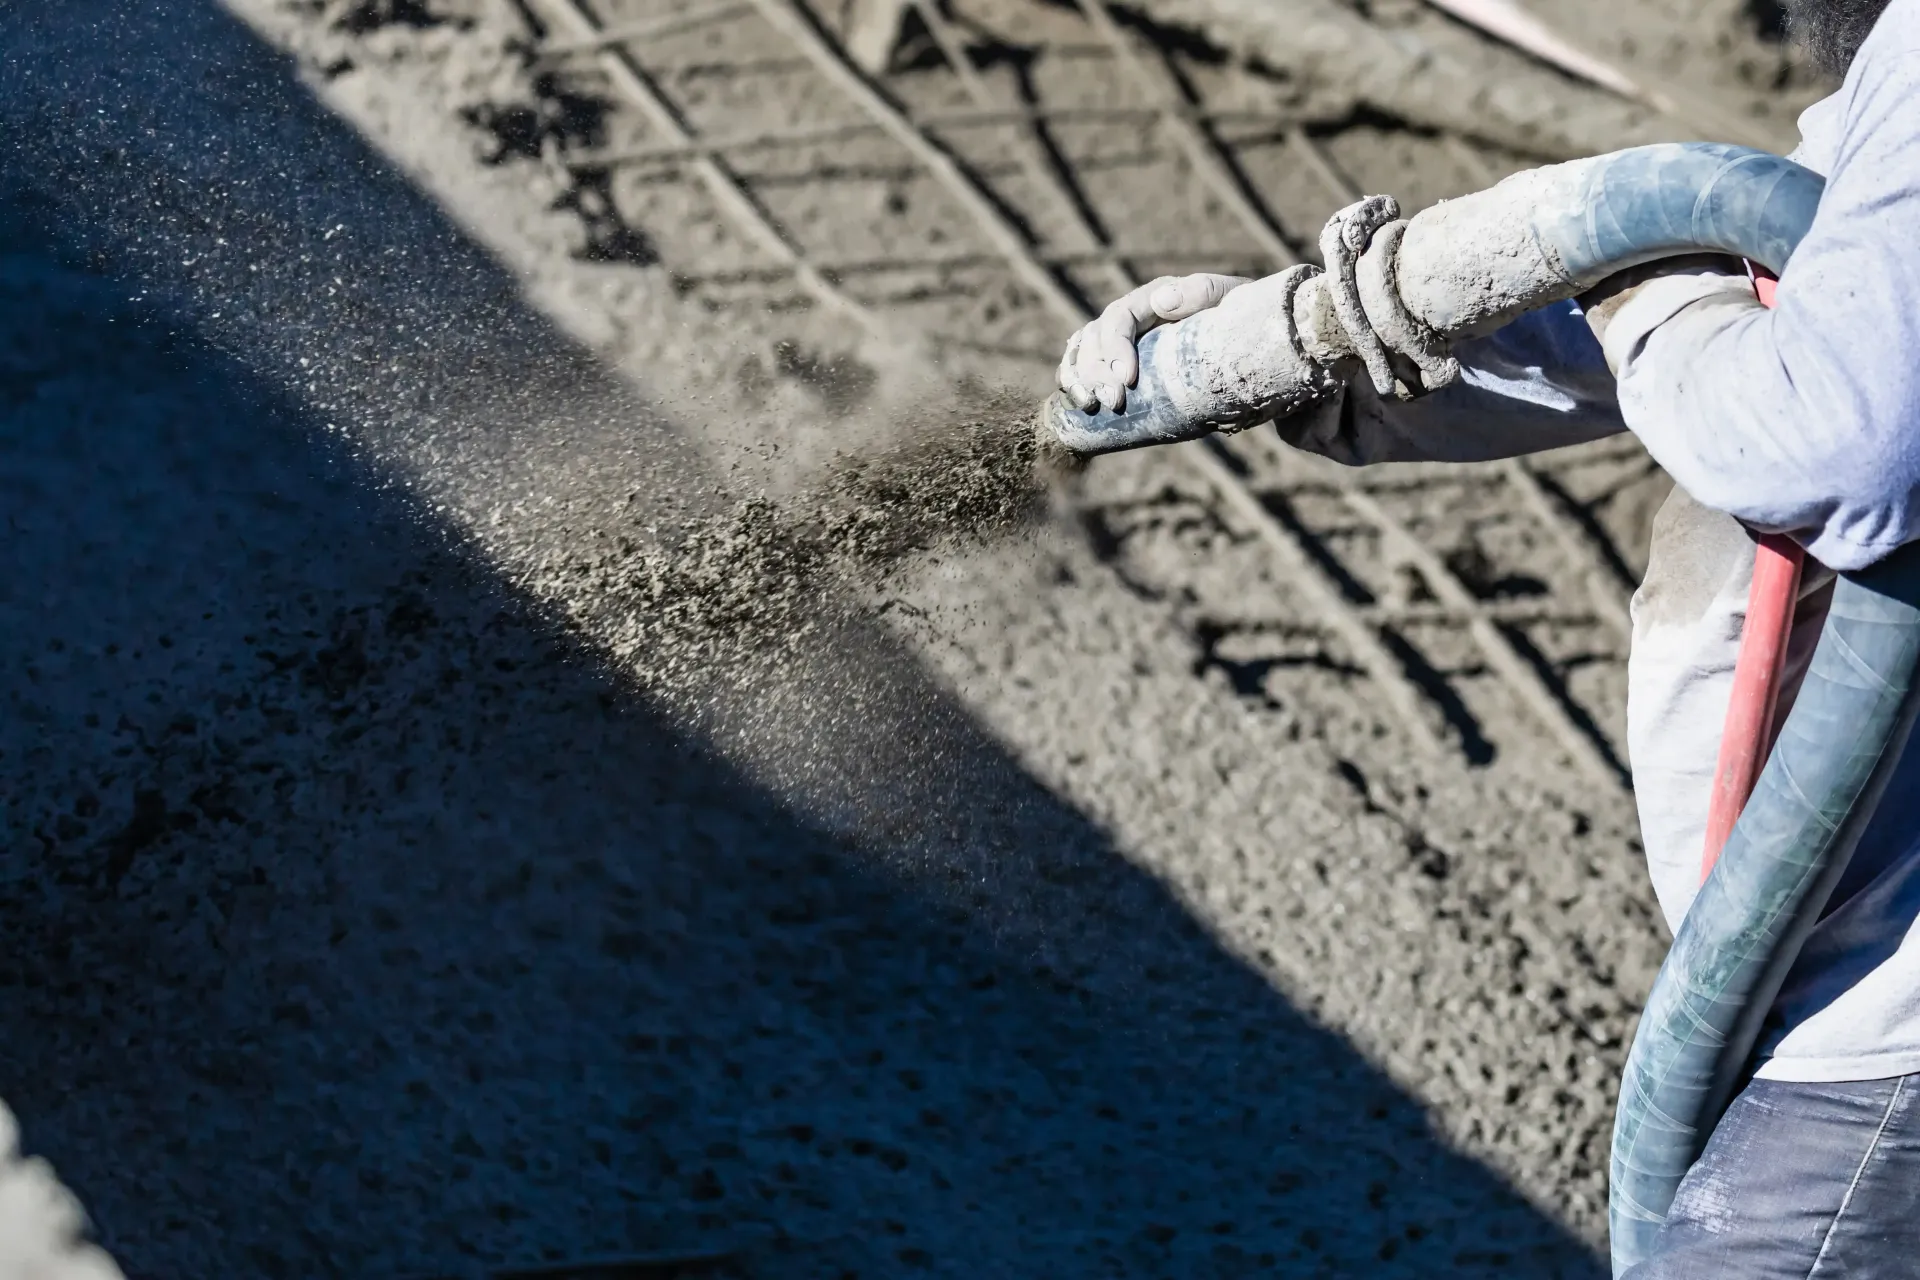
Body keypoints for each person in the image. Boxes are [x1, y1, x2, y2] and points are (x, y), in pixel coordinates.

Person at [1057, 2, 1920, 1274]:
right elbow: (1792, 285)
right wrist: (1324, 358)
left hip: (1883, 1028)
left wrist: (1640, 281)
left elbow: (1835, 433)